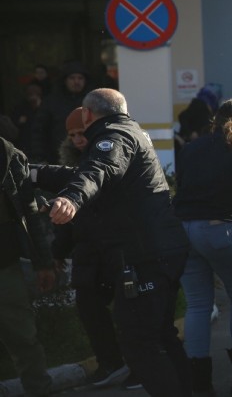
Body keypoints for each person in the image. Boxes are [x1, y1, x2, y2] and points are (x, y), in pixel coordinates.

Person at [42, 88, 192, 397]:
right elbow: (85, 172)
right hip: (160, 250)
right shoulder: (129, 131)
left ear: (87, 115)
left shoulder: (113, 137)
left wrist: (71, 197)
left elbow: (99, 170)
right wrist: (33, 174)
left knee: (139, 341)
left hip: (145, 255)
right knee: (160, 334)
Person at [41, 108, 139, 389]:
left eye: (81, 133)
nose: (77, 140)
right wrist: (58, 252)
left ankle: (135, 364)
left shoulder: (109, 155)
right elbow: (67, 219)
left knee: (128, 311)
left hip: (117, 247)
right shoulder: (73, 164)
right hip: (88, 251)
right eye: (71, 135)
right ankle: (110, 362)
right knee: (89, 308)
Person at [174, 99, 232, 397]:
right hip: (221, 229)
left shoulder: (192, 147)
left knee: (198, 305)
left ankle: (199, 383)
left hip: (183, 230)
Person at [0, 137, 55, 397]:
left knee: (23, 339)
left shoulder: (10, 155)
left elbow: (30, 213)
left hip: (4, 266)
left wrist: (43, 262)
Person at [30, 61, 93, 163]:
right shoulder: (51, 102)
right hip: (56, 160)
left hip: (89, 158)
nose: (76, 82)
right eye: (72, 78)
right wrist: (40, 157)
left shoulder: (94, 101)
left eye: (80, 78)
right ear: (65, 80)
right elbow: (39, 131)